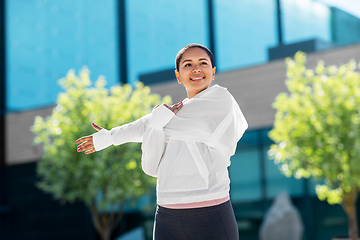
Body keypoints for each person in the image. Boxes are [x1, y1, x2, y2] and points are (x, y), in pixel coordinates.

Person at [75, 43, 248, 240]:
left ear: (213, 71)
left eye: (203, 63)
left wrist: (113, 136)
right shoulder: (171, 113)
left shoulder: (220, 98)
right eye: (188, 65)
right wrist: (110, 137)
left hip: (211, 212)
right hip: (168, 213)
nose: (196, 69)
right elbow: (151, 126)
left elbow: (152, 125)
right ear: (178, 76)